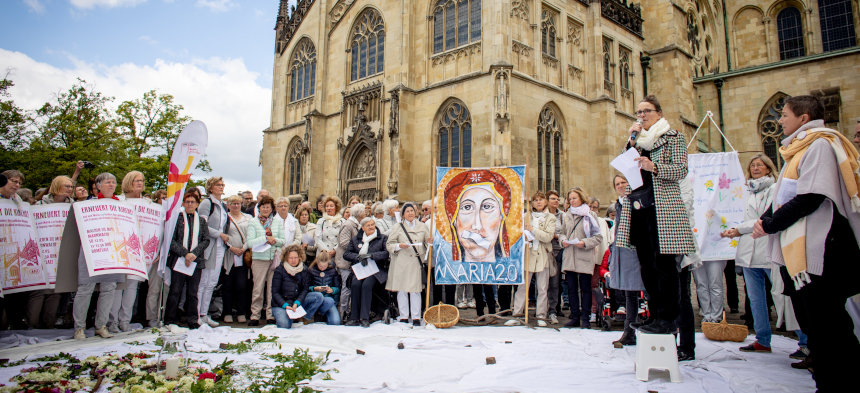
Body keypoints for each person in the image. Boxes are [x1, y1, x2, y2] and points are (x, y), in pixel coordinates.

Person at [751, 95, 860, 390]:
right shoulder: (795, 150)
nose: (780, 120)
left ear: (803, 117)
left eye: (784, 115)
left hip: (822, 251)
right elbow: (784, 195)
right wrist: (765, 218)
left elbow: (811, 197)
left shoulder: (820, 145)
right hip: (801, 253)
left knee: (830, 327)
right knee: (815, 325)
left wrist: (771, 223)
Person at [615, 95, 696, 335]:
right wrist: (630, 143)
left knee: (664, 266)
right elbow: (625, 166)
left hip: (663, 208)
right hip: (639, 208)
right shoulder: (637, 141)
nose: (641, 116)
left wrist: (655, 167)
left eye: (646, 111)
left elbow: (681, 169)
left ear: (659, 113)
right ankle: (653, 315)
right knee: (647, 266)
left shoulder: (674, 137)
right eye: (638, 112)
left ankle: (668, 318)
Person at [721, 154, 796, 353]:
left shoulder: (774, 189)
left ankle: (805, 341)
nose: (755, 168)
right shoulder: (748, 191)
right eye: (753, 165)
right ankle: (763, 339)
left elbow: (765, 218)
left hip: (767, 248)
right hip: (748, 252)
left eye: (760, 165)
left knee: (783, 295)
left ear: (769, 169)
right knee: (755, 299)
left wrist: (738, 229)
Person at [72, 172, 127, 338]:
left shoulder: (121, 205)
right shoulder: (88, 205)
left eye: (113, 182)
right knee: (85, 289)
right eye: (108, 182)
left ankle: (101, 325)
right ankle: (79, 327)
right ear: (98, 186)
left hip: (113, 250)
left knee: (109, 288)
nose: (111, 185)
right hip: (93, 250)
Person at [26, 175, 74, 329]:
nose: (70, 189)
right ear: (56, 186)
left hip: (62, 252)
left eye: (71, 186)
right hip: (43, 251)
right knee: (39, 291)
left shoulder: (74, 206)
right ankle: (32, 325)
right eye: (66, 186)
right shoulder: (39, 205)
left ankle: (48, 325)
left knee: (56, 290)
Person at [606, 175, 645, 347]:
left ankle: (656, 330)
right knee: (629, 293)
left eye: (623, 182)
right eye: (617, 184)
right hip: (623, 252)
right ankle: (629, 332)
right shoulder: (618, 204)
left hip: (637, 251)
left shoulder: (636, 199)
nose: (621, 186)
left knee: (646, 291)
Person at [508, 192, 556, 327]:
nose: (538, 202)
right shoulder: (526, 217)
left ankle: (541, 314)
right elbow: (517, 233)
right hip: (528, 254)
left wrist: (533, 230)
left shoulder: (550, 218)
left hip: (542, 254)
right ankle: (517, 313)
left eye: (541, 200)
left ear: (545, 202)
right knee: (522, 287)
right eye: (535, 200)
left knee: (542, 287)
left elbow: (547, 237)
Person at [163, 190, 210, 329]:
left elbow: (205, 240)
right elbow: (171, 240)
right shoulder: (176, 218)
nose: (190, 204)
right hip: (179, 260)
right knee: (175, 290)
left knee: (192, 292)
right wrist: (185, 254)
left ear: (197, 204)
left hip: (196, 261)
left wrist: (194, 254)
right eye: (187, 202)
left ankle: (192, 319)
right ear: (183, 203)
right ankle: (170, 319)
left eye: (193, 202)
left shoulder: (201, 220)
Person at [107, 171, 147, 333]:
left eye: (142, 181)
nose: (140, 183)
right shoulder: (118, 200)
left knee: (132, 287)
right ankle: (112, 321)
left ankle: (125, 320)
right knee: (118, 286)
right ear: (129, 182)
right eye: (137, 180)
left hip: (138, 251)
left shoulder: (147, 204)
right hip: (120, 249)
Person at [559, 188, 603, 328]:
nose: (572, 201)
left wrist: (584, 243)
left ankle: (585, 317)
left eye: (574, 198)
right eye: (570, 198)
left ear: (582, 199)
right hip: (570, 255)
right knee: (571, 288)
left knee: (585, 288)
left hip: (583, 254)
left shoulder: (590, 215)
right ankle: (575, 316)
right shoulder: (567, 215)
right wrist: (563, 240)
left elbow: (597, 237)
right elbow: (562, 233)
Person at [271, 245, 340, 329]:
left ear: (300, 257)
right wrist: (284, 305)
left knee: (318, 297)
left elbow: (305, 289)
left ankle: (302, 316)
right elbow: (275, 292)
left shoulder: (304, 270)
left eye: (295, 257)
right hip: (282, 303)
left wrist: (297, 302)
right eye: (290, 258)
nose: (293, 260)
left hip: (297, 302)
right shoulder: (280, 270)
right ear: (286, 258)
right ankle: (291, 317)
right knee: (284, 326)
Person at [386, 202, 431, 326]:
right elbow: (389, 244)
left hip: (416, 261)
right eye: (407, 211)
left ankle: (416, 316)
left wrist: (430, 242)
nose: (410, 213)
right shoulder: (398, 227)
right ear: (403, 214)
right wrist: (399, 245)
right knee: (402, 289)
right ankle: (404, 316)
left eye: (412, 211)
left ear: (416, 213)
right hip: (402, 261)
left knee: (415, 289)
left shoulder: (422, 226)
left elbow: (427, 244)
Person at [245, 195, 285, 326]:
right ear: (259, 208)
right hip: (259, 259)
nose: (266, 209)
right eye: (263, 207)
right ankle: (255, 315)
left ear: (272, 209)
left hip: (273, 258)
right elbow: (250, 242)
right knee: (258, 288)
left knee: (272, 288)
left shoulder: (277, 222)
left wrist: (275, 240)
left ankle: (270, 315)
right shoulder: (253, 222)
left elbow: (282, 241)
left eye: (268, 207)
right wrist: (265, 239)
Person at [343, 217, 389, 327]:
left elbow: (386, 253)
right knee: (355, 284)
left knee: (367, 285)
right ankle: (354, 317)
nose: (371, 227)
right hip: (360, 269)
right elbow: (346, 254)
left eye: (372, 224)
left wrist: (372, 255)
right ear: (363, 228)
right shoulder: (356, 240)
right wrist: (358, 257)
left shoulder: (382, 238)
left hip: (375, 270)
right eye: (368, 225)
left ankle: (364, 317)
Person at [195, 177, 229, 328]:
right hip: (210, 246)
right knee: (203, 281)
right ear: (210, 187)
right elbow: (202, 225)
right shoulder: (207, 203)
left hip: (221, 246)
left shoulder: (222, 205)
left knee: (212, 282)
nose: (221, 187)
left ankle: (204, 313)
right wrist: (219, 234)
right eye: (218, 185)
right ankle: (196, 314)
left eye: (222, 185)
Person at [220, 195, 252, 323]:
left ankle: (241, 312)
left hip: (243, 255)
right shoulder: (224, 218)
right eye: (233, 203)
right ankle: (227, 312)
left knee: (242, 285)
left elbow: (251, 234)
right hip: (229, 254)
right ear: (228, 205)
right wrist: (231, 247)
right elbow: (222, 235)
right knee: (227, 284)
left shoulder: (248, 218)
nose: (236, 206)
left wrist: (243, 248)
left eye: (238, 203)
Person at [336, 202, 365, 316]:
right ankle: (343, 311)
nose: (365, 214)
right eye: (364, 212)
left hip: (353, 262)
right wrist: (358, 247)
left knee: (352, 287)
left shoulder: (357, 224)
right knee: (346, 287)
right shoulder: (348, 225)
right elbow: (343, 242)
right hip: (346, 262)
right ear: (359, 213)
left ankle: (352, 310)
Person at [546, 189, 564, 324]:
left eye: (557, 199)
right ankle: (544, 308)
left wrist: (556, 236)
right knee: (543, 283)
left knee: (555, 283)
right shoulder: (542, 215)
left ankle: (554, 309)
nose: (556, 201)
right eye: (553, 199)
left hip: (558, 251)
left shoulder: (563, 216)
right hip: (545, 250)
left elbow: (565, 233)